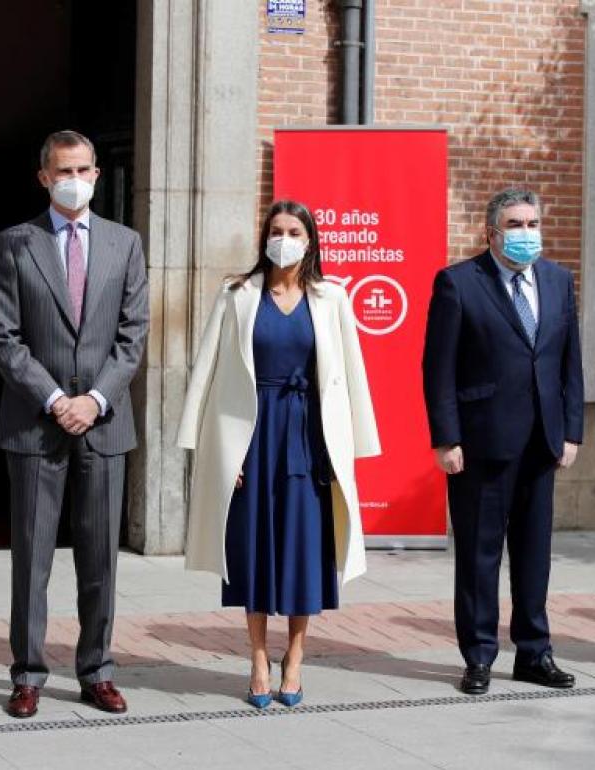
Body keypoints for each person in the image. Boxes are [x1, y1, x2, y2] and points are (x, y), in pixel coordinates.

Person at [177, 200, 380, 708]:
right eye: (275, 230)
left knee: (303, 552)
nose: (283, 239)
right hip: (251, 436)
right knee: (252, 551)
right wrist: (209, 448)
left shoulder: (332, 297)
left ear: (310, 240)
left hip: (308, 436)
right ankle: (257, 658)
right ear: (263, 238)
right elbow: (206, 369)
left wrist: (351, 447)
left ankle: (294, 656)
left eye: (293, 231)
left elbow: (351, 374)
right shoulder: (237, 294)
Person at [0, 130, 148, 719]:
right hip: (35, 423)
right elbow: (3, 337)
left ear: (98, 175)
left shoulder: (125, 244)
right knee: (32, 557)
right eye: (63, 170)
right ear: (44, 177)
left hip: (103, 424)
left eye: (83, 169)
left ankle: (96, 670)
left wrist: (96, 399)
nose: (73, 178)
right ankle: (27, 673)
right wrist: (55, 398)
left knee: (100, 557)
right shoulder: (15, 244)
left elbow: (132, 337)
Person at [422, 188, 584, 695]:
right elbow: (437, 369)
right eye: (516, 225)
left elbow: (568, 363)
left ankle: (535, 653)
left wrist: (572, 429)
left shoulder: (558, 281)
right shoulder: (458, 284)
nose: (526, 234)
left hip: (542, 440)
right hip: (481, 442)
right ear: (492, 232)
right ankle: (479, 656)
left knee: (535, 554)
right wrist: (447, 438)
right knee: (479, 556)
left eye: (533, 224)